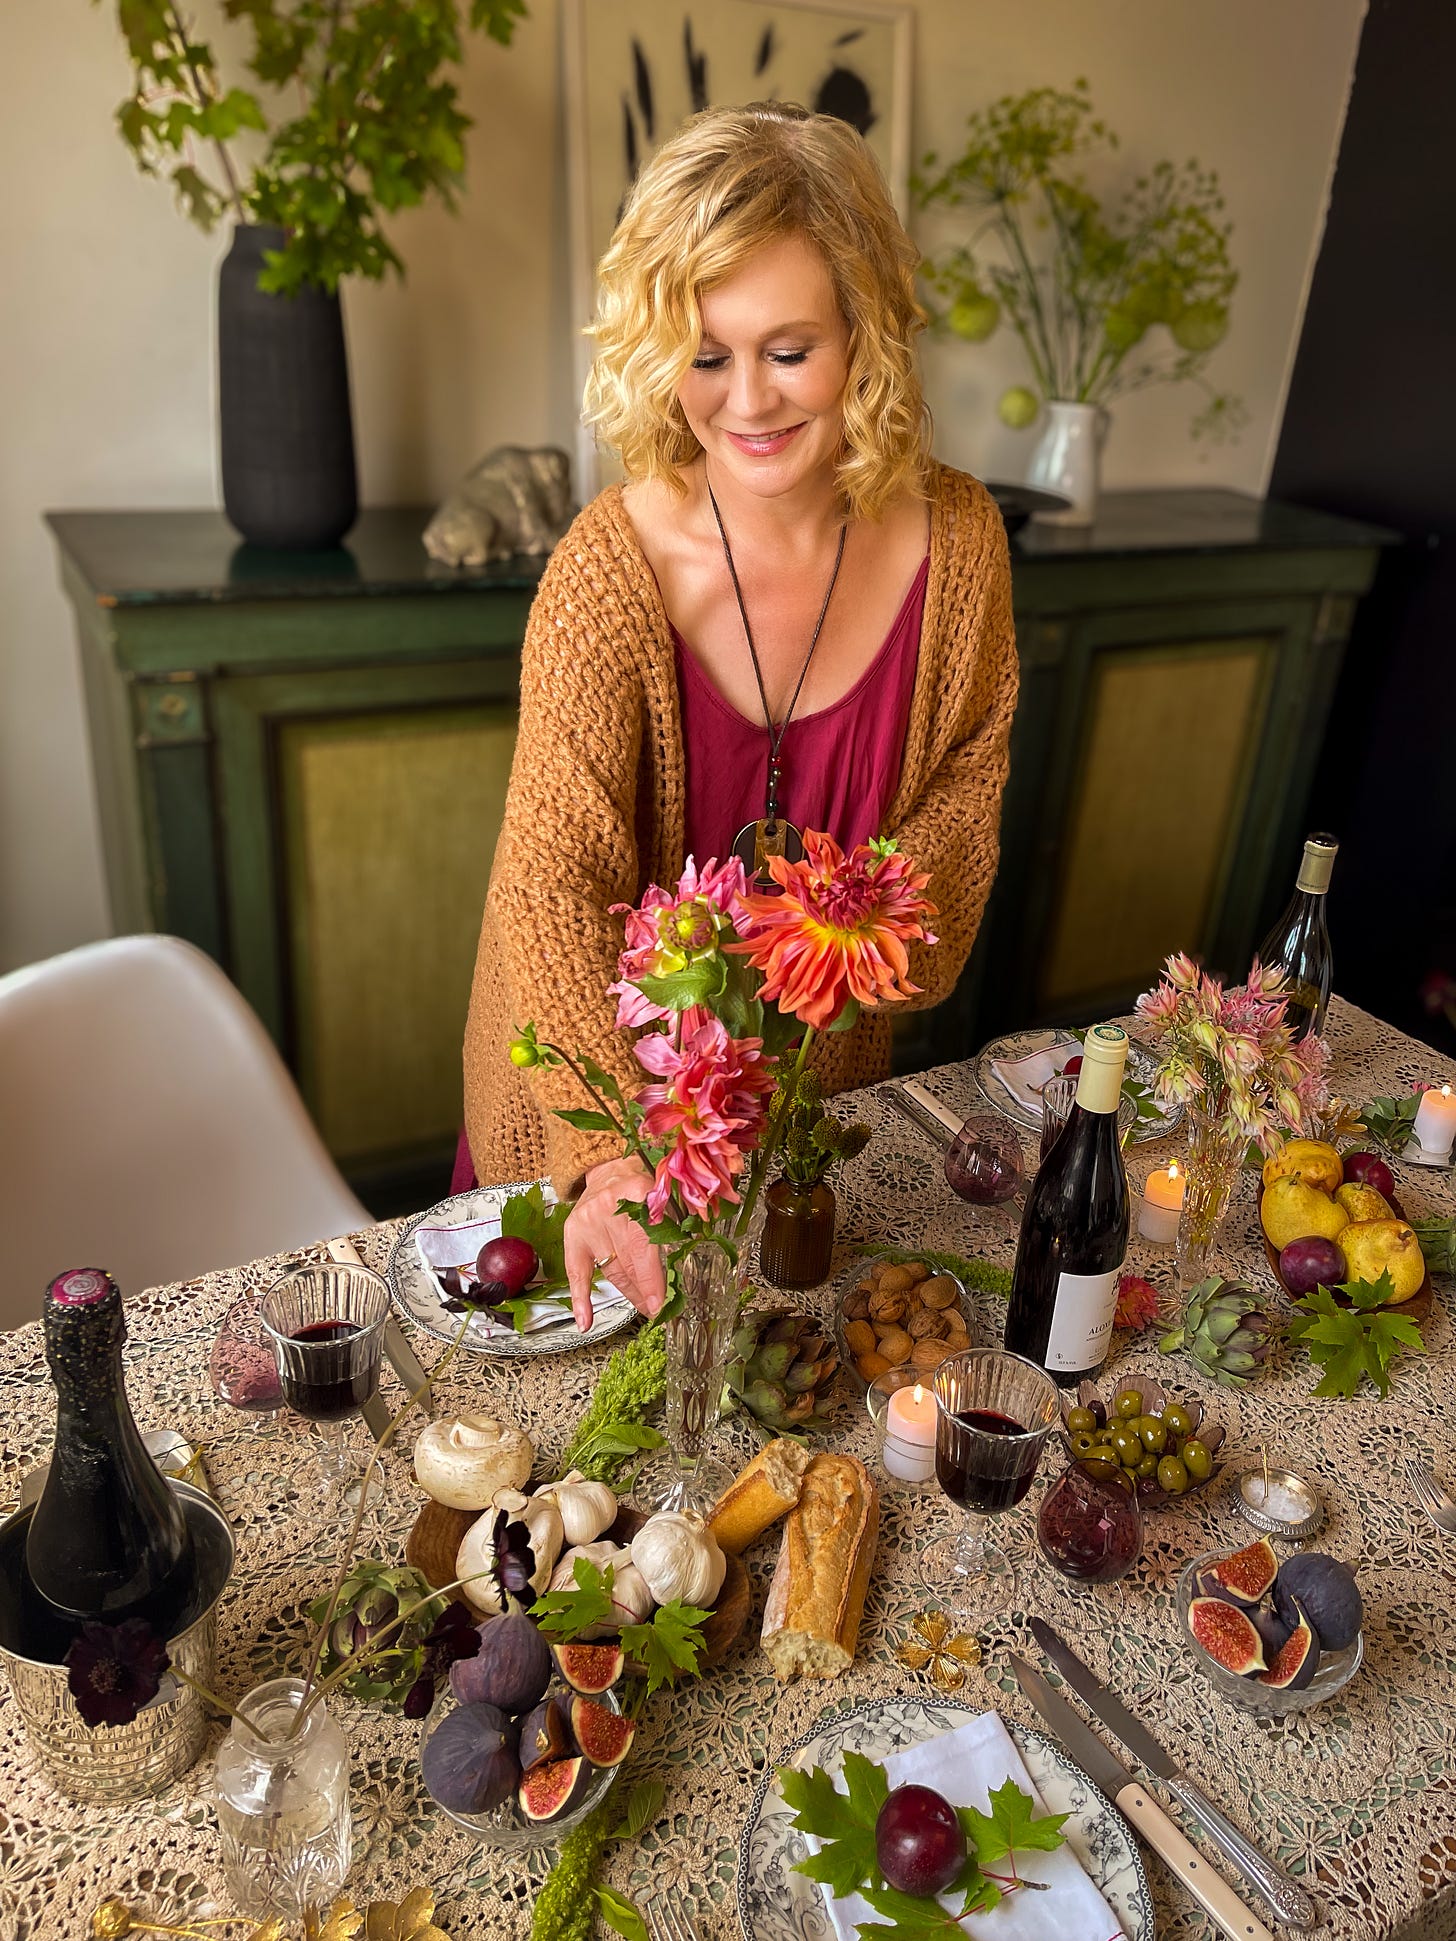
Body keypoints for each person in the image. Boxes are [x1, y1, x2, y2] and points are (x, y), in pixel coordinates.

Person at [460, 102, 1018, 1326]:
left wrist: (850, 934)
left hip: (809, 1123)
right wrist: (613, 1151)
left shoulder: (960, 543)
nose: (747, 403)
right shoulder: (605, 572)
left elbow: (965, 796)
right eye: (705, 355)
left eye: (788, 348)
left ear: (862, 332)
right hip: (588, 1118)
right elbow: (550, 880)